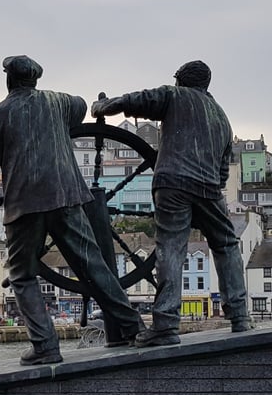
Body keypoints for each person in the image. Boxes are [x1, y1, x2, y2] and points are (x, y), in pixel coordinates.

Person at [0, 55, 145, 365]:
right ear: (36, 79)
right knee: (94, 267)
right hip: (66, 195)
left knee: (22, 275)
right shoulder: (59, 103)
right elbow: (80, 106)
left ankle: (45, 345)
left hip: (24, 204)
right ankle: (134, 327)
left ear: (8, 79)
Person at [91, 60, 252, 347]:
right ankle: (240, 315)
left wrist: (103, 107)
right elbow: (225, 168)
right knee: (227, 245)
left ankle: (165, 325)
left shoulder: (174, 96)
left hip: (174, 183)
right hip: (210, 189)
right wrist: (213, 186)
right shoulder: (222, 118)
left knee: (171, 249)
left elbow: (136, 100)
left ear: (180, 80)